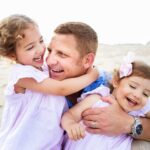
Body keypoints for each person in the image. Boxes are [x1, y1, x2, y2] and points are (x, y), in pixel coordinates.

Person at [0, 14, 99, 150]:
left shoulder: (44, 69)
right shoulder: (22, 75)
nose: (40, 50)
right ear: (13, 55)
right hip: (21, 145)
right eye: (30, 48)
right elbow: (61, 89)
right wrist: (91, 76)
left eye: (41, 41)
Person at [46, 21, 150, 149]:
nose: (49, 61)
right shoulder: (39, 85)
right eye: (49, 51)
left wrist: (127, 123)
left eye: (62, 54)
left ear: (87, 60)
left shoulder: (112, 85)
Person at [61, 53, 150, 150]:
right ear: (116, 81)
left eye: (145, 94)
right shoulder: (98, 98)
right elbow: (70, 115)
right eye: (132, 86)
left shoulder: (138, 112)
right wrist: (70, 125)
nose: (138, 95)